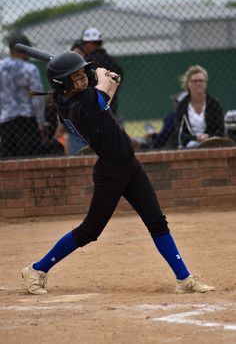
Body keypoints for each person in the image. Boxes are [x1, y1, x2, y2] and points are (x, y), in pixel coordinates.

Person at [21, 51, 215, 295]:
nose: (83, 78)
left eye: (84, 73)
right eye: (77, 75)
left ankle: (184, 278)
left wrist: (106, 80)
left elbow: (106, 92)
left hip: (129, 165)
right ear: (62, 83)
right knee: (90, 230)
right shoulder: (79, 106)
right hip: (111, 170)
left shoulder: (75, 99)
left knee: (156, 221)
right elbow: (103, 90)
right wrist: (103, 76)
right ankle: (36, 269)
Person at [0, 34, 46, 158]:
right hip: (27, 121)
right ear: (25, 50)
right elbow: (37, 97)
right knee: (30, 158)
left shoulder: (1, 67)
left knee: (8, 161)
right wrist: (40, 122)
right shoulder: (30, 69)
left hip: (6, 121)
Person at [176, 65, 225, 149]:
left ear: (205, 83)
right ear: (188, 84)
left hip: (211, 142)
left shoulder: (214, 104)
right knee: (193, 145)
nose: (198, 83)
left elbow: (220, 130)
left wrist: (208, 137)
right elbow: (180, 134)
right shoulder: (182, 105)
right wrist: (196, 138)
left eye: (201, 80)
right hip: (190, 143)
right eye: (194, 81)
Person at [81, 27, 123, 120]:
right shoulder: (114, 62)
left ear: (90, 43)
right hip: (111, 111)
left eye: (83, 43)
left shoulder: (86, 63)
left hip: (90, 114)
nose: (83, 47)